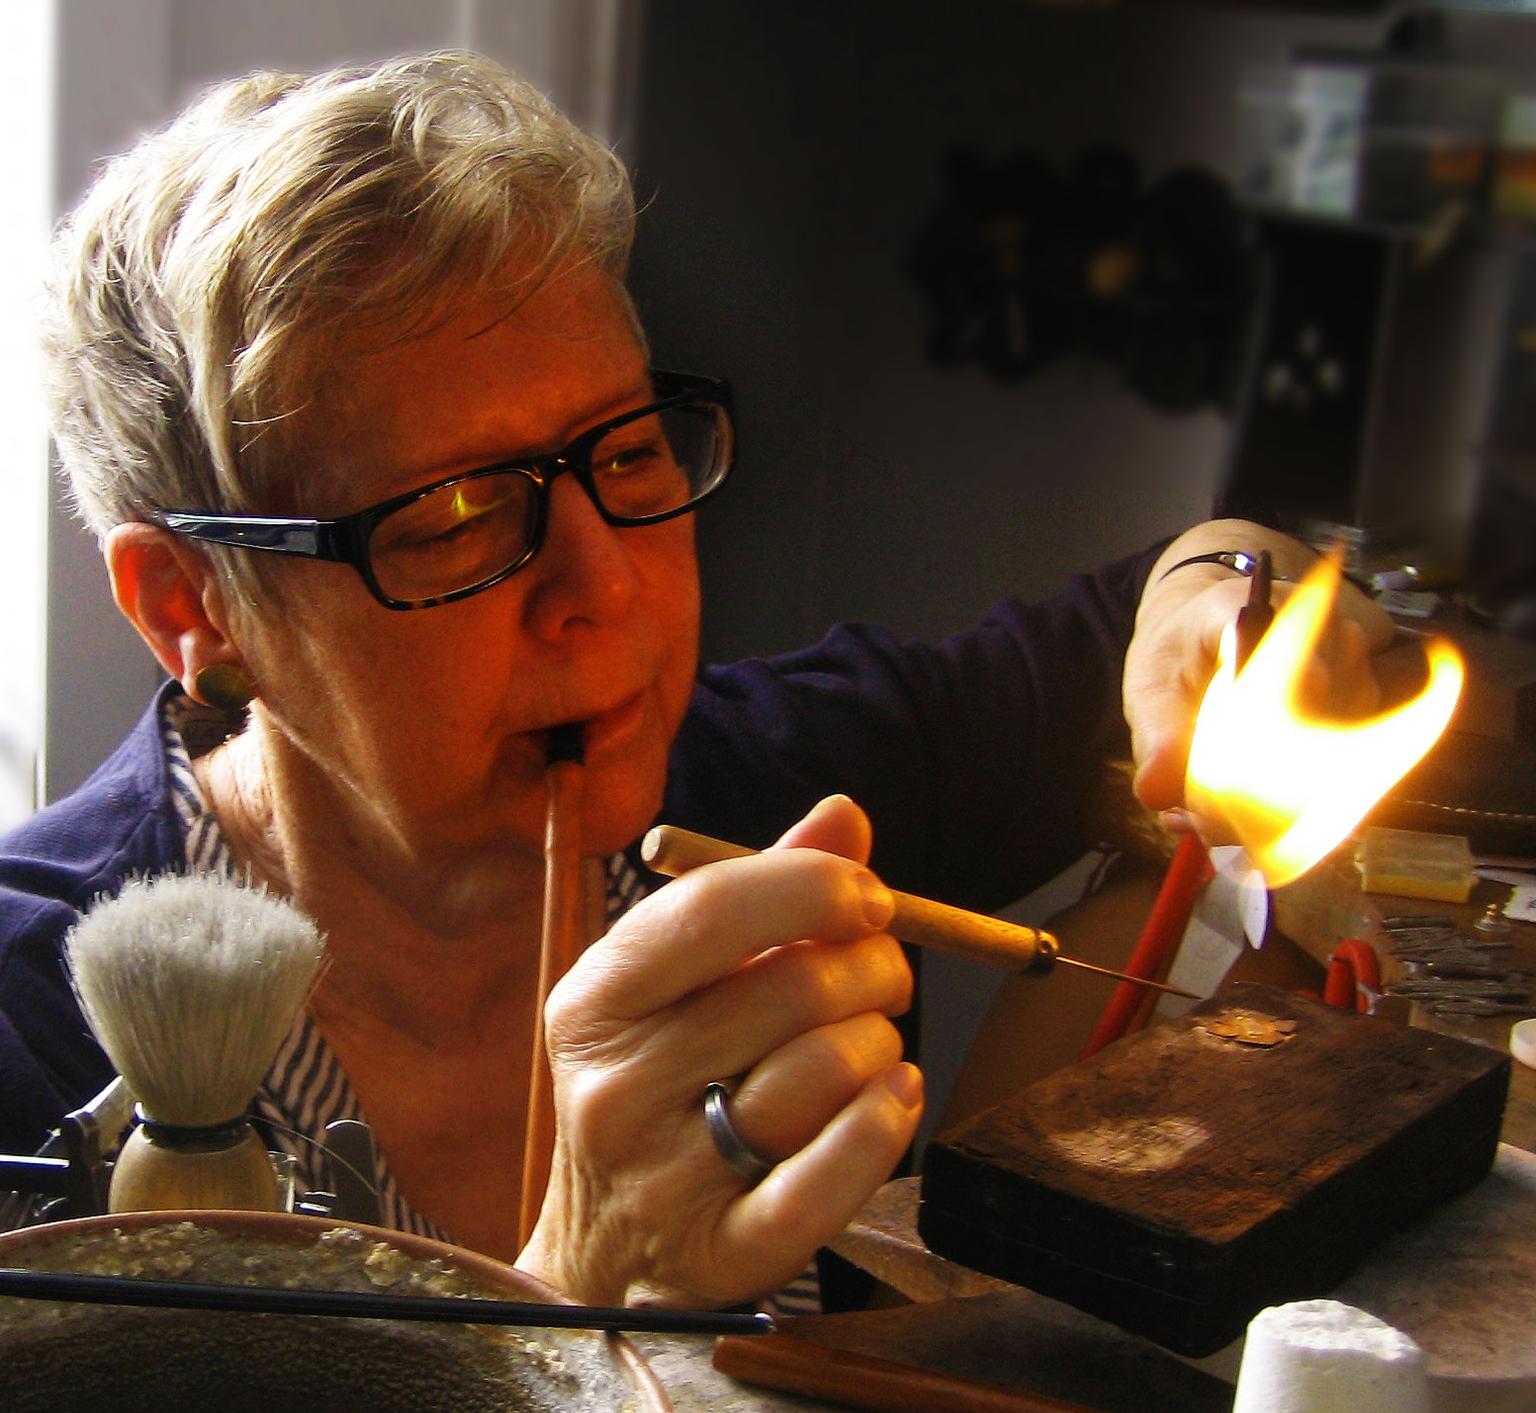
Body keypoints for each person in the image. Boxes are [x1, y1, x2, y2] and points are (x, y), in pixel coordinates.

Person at [0, 52, 1392, 1310]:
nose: (608, 585)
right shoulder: (36, 1030)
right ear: (195, 606)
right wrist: (569, 1295)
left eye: (629, 451)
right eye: (456, 516)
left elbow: (1177, 590)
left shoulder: (778, 782)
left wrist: (1219, 605)